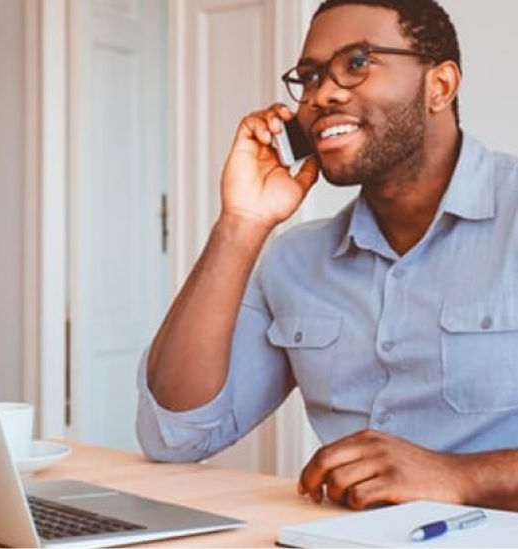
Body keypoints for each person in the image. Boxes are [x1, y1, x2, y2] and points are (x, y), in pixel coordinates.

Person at [137, 0, 518, 512]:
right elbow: (175, 435)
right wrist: (240, 225)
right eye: (309, 77)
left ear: (441, 86)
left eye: (357, 63)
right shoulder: (295, 260)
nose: (323, 95)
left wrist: (460, 477)